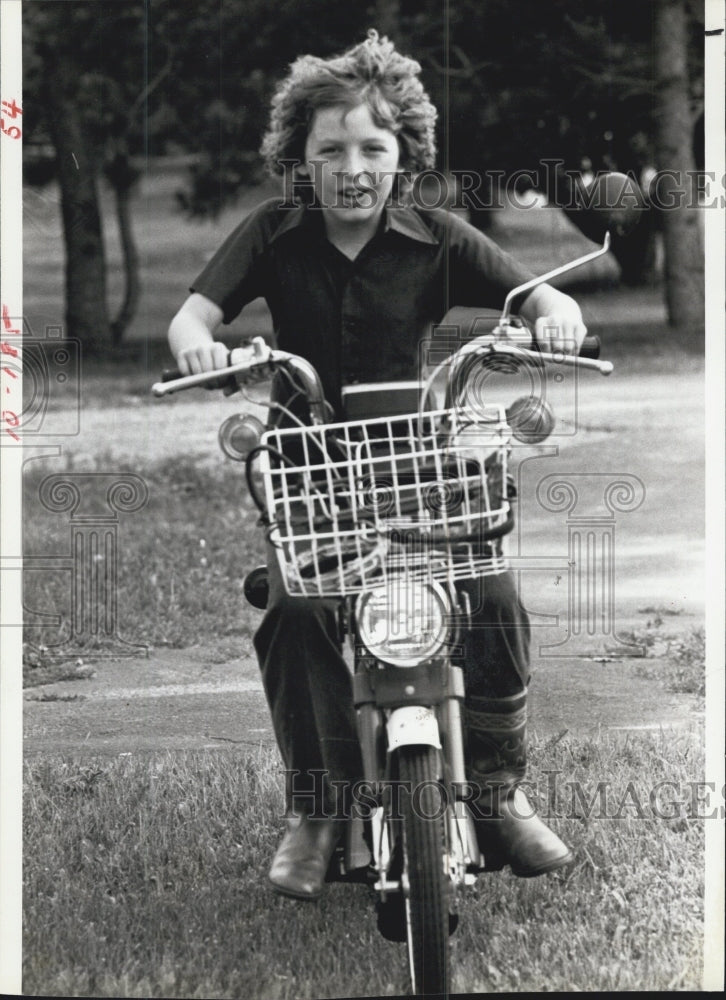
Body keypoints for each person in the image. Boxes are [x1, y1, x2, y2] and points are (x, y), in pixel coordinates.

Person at [168, 30, 585, 901]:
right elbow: (191, 319)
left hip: (419, 472)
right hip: (312, 472)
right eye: (331, 150)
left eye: (373, 148)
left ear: (405, 155)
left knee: (495, 596)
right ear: (300, 158)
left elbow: (538, 291)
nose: (353, 167)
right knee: (293, 609)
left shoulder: (437, 235)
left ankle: (500, 790)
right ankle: (318, 811)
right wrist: (203, 348)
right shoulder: (273, 233)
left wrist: (554, 315)